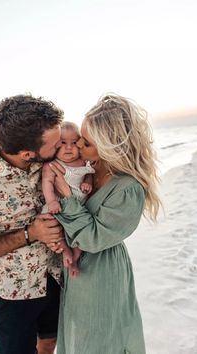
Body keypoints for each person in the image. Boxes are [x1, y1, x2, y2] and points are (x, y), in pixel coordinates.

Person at [48, 93, 162, 354]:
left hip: (101, 272)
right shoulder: (89, 165)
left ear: (109, 145)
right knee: (78, 333)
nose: (77, 146)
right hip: (74, 269)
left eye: (85, 142)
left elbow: (93, 238)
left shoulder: (128, 189)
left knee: (101, 336)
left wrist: (65, 194)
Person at [0, 94, 65, 354]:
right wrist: (31, 233)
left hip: (57, 274)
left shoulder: (51, 157)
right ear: (28, 154)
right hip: (15, 291)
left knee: (50, 343)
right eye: (55, 144)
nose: (62, 146)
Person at [42, 121, 95, 277]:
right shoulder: (52, 165)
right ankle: (66, 252)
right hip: (58, 206)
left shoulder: (83, 162)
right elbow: (47, 183)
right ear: (55, 145)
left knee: (80, 234)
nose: (69, 147)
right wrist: (51, 201)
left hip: (80, 208)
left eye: (73, 143)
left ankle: (75, 259)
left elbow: (89, 174)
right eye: (63, 143)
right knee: (55, 230)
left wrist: (87, 182)